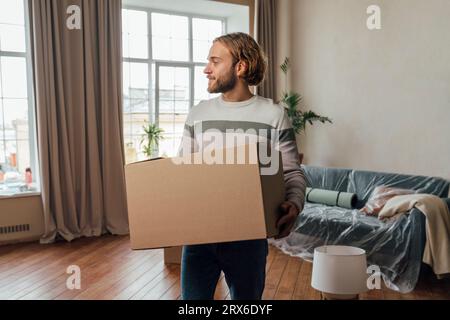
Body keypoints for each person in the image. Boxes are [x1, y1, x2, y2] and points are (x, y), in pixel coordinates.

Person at [178, 32, 306, 300]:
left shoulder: (273, 115)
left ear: (240, 66)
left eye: (214, 61)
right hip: (199, 236)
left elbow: (291, 172)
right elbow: (183, 172)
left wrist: (293, 204)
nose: (206, 69)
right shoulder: (198, 114)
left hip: (249, 239)